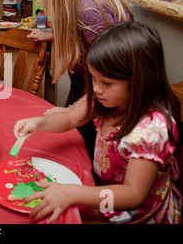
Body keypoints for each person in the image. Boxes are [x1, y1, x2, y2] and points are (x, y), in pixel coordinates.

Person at [13, 21, 182, 224]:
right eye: (93, 78)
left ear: (140, 80)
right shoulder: (105, 100)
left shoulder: (150, 130)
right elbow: (69, 118)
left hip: (137, 214)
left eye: (107, 83)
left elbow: (133, 194)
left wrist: (72, 193)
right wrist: (37, 123)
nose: (97, 89)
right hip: (106, 193)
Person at [24, 0, 133, 161]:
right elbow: (83, 38)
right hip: (86, 89)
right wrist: (53, 35)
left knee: (81, 161)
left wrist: (73, 112)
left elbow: (109, 79)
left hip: (103, 99)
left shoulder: (90, 12)